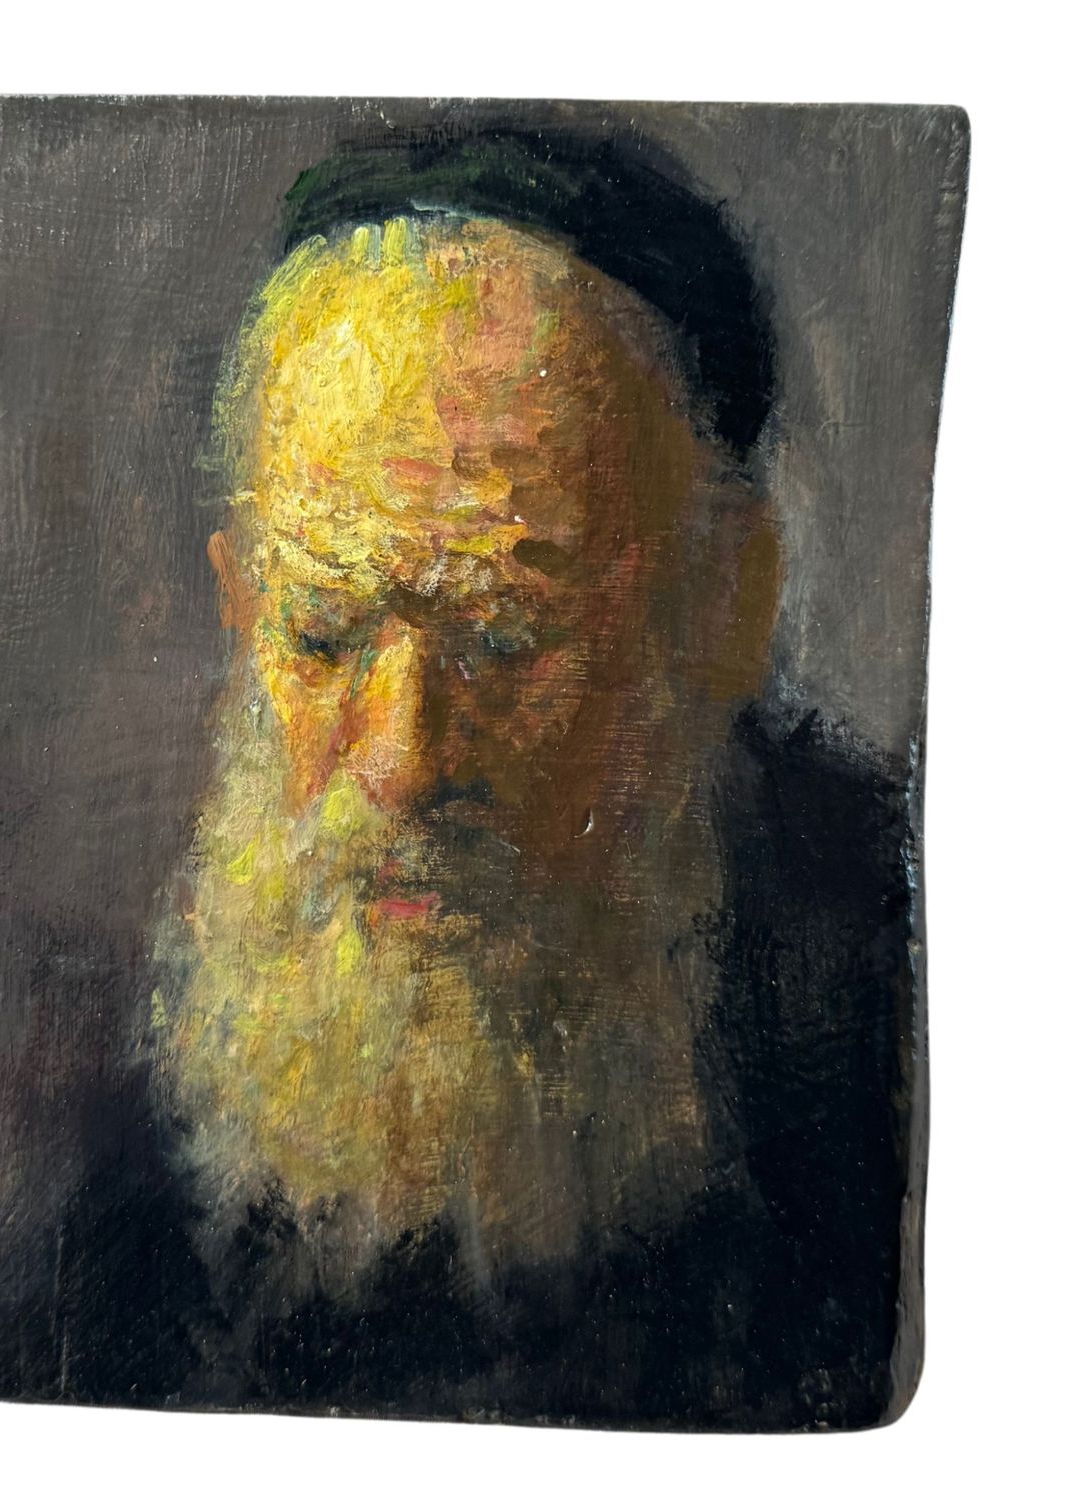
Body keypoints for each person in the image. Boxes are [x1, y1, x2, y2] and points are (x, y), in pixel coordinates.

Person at [70, 132, 920, 1429]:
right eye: (324, 633)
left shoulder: (870, 1035)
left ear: (726, 608)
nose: (402, 765)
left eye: (509, 638)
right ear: (241, 605)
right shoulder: (132, 1171)